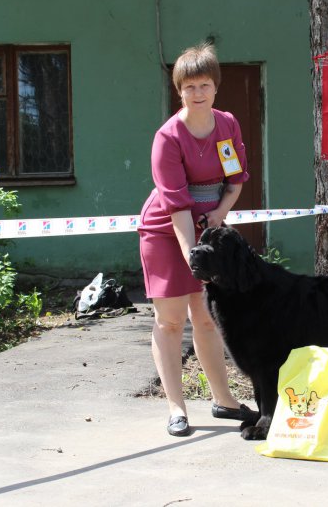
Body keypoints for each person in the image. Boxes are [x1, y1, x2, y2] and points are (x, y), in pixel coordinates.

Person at [138, 43, 255, 436]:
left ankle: (223, 401)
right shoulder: (167, 137)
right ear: (179, 91)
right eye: (189, 87)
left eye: (204, 84)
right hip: (168, 228)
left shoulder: (227, 124)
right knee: (170, 322)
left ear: (215, 87)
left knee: (207, 318)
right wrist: (194, 257)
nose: (198, 93)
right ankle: (176, 408)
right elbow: (177, 208)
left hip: (209, 224)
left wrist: (221, 214)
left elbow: (235, 179)